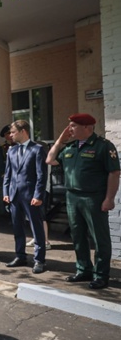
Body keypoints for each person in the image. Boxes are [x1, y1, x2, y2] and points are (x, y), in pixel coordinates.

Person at [46, 113, 120, 290]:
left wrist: (109, 198)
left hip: (93, 198)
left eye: (73, 126)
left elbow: (114, 173)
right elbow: (49, 159)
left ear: (87, 127)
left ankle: (101, 275)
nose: (69, 129)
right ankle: (83, 269)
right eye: (69, 126)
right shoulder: (71, 147)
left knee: (99, 238)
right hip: (72, 197)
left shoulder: (103, 146)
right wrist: (59, 141)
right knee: (78, 236)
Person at [3, 120, 48, 274]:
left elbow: (42, 175)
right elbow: (8, 174)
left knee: (36, 228)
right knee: (17, 227)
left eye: (13, 132)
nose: (11, 135)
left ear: (23, 131)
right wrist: (6, 192)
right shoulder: (11, 151)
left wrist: (38, 195)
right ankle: (20, 255)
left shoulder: (37, 149)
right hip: (14, 195)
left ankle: (39, 260)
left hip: (31, 195)